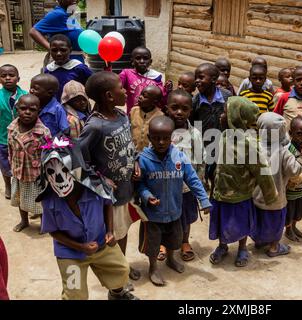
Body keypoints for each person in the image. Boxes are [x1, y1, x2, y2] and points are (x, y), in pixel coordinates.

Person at [37, 138, 139, 300]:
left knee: (120, 271)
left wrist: (110, 231)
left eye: (65, 170)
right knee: (75, 293)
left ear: (76, 168)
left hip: (101, 242)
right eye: (52, 172)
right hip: (70, 251)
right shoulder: (50, 201)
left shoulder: (95, 186)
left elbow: (107, 204)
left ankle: (117, 294)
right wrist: (80, 246)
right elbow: (53, 232)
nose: (60, 179)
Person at [79, 71, 141, 284]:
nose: (125, 91)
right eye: (121, 88)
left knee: (123, 231)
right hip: (109, 196)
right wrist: (100, 179)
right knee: (113, 234)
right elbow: (79, 158)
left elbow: (129, 144)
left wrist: (136, 162)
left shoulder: (122, 115)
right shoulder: (95, 126)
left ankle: (122, 265)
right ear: (109, 96)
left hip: (126, 186)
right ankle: (118, 272)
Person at [137, 116, 211, 286]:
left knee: (174, 240)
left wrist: (204, 200)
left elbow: (192, 179)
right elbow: (139, 185)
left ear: (172, 138)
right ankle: (153, 267)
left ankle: (170, 259)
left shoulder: (179, 157)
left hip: (175, 211)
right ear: (149, 138)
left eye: (165, 138)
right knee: (153, 245)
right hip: (153, 215)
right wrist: (147, 196)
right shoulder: (143, 159)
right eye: (156, 138)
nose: (161, 142)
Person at [209, 97, 278, 267]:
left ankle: (242, 248)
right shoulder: (224, 135)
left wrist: (270, 194)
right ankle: (222, 246)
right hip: (220, 192)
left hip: (241, 194)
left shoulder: (249, 144)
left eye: (225, 112)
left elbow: (262, 170)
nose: (221, 115)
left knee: (242, 223)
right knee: (221, 221)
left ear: (235, 118)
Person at [251, 112, 302, 257]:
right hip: (276, 199)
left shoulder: (255, 148)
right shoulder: (283, 152)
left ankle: (259, 241)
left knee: (259, 219)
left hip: (256, 196)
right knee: (275, 223)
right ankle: (274, 247)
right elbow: (295, 171)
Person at [166, 89, 205, 262]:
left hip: (186, 187)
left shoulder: (194, 134)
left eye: (184, 108)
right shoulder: (161, 130)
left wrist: (199, 186)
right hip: (163, 186)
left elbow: (200, 160)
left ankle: (184, 242)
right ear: (167, 108)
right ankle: (163, 243)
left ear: (190, 110)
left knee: (186, 217)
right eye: (175, 108)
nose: (179, 112)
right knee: (164, 216)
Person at [8, 94, 51, 232]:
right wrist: (11, 164)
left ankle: (44, 224)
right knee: (20, 199)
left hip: (36, 175)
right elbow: (10, 149)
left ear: (38, 111)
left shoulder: (43, 132)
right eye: (23, 108)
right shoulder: (12, 128)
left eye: (32, 109)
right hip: (19, 172)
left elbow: (49, 154)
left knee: (39, 202)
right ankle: (24, 221)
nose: (27, 112)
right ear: (17, 109)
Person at [191, 63, 232, 189]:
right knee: (204, 173)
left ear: (214, 79)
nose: (197, 81)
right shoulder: (196, 101)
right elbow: (193, 122)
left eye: (201, 77)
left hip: (222, 143)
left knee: (218, 174)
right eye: (196, 78)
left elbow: (233, 119)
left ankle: (215, 199)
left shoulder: (227, 97)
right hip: (203, 144)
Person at [0, 64, 27, 200]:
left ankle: (22, 188)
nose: (8, 78)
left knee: (21, 164)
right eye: (4, 76)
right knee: (5, 165)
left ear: (18, 78)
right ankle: (8, 186)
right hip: (3, 139)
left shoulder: (25, 95)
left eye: (11, 75)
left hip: (22, 139)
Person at [284, 116, 302, 242]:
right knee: (289, 211)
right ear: (291, 133)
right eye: (299, 134)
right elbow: (291, 170)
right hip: (290, 190)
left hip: (300, 190)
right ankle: (289, 230)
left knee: (298, 211)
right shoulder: (289, 150)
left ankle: (294, 227)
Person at [119, 47, 172, 114]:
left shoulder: (156, 76)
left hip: (151, 116)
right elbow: (115, 86)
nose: (142, 61)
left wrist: (167, 91)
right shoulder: (127, 74)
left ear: (150, 62)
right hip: (133, 115)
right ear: (132, 61)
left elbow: (160, 99)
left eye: (145, 58)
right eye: (138, 58)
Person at [44, 34, 93, 102]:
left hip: (76, 109)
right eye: (54, 50)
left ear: (70, 50)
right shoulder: (48, 70)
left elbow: (92, 85)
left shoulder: (79, 68)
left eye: (63, 50)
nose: (58, 54)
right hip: (56, 108)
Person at [130, 86, 164, 153]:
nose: (140, 97)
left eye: (144, 96)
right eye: (141, 94)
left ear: (154, 102)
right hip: (132, 151)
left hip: (150, 153)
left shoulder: (160, 115)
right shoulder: (133, 111)